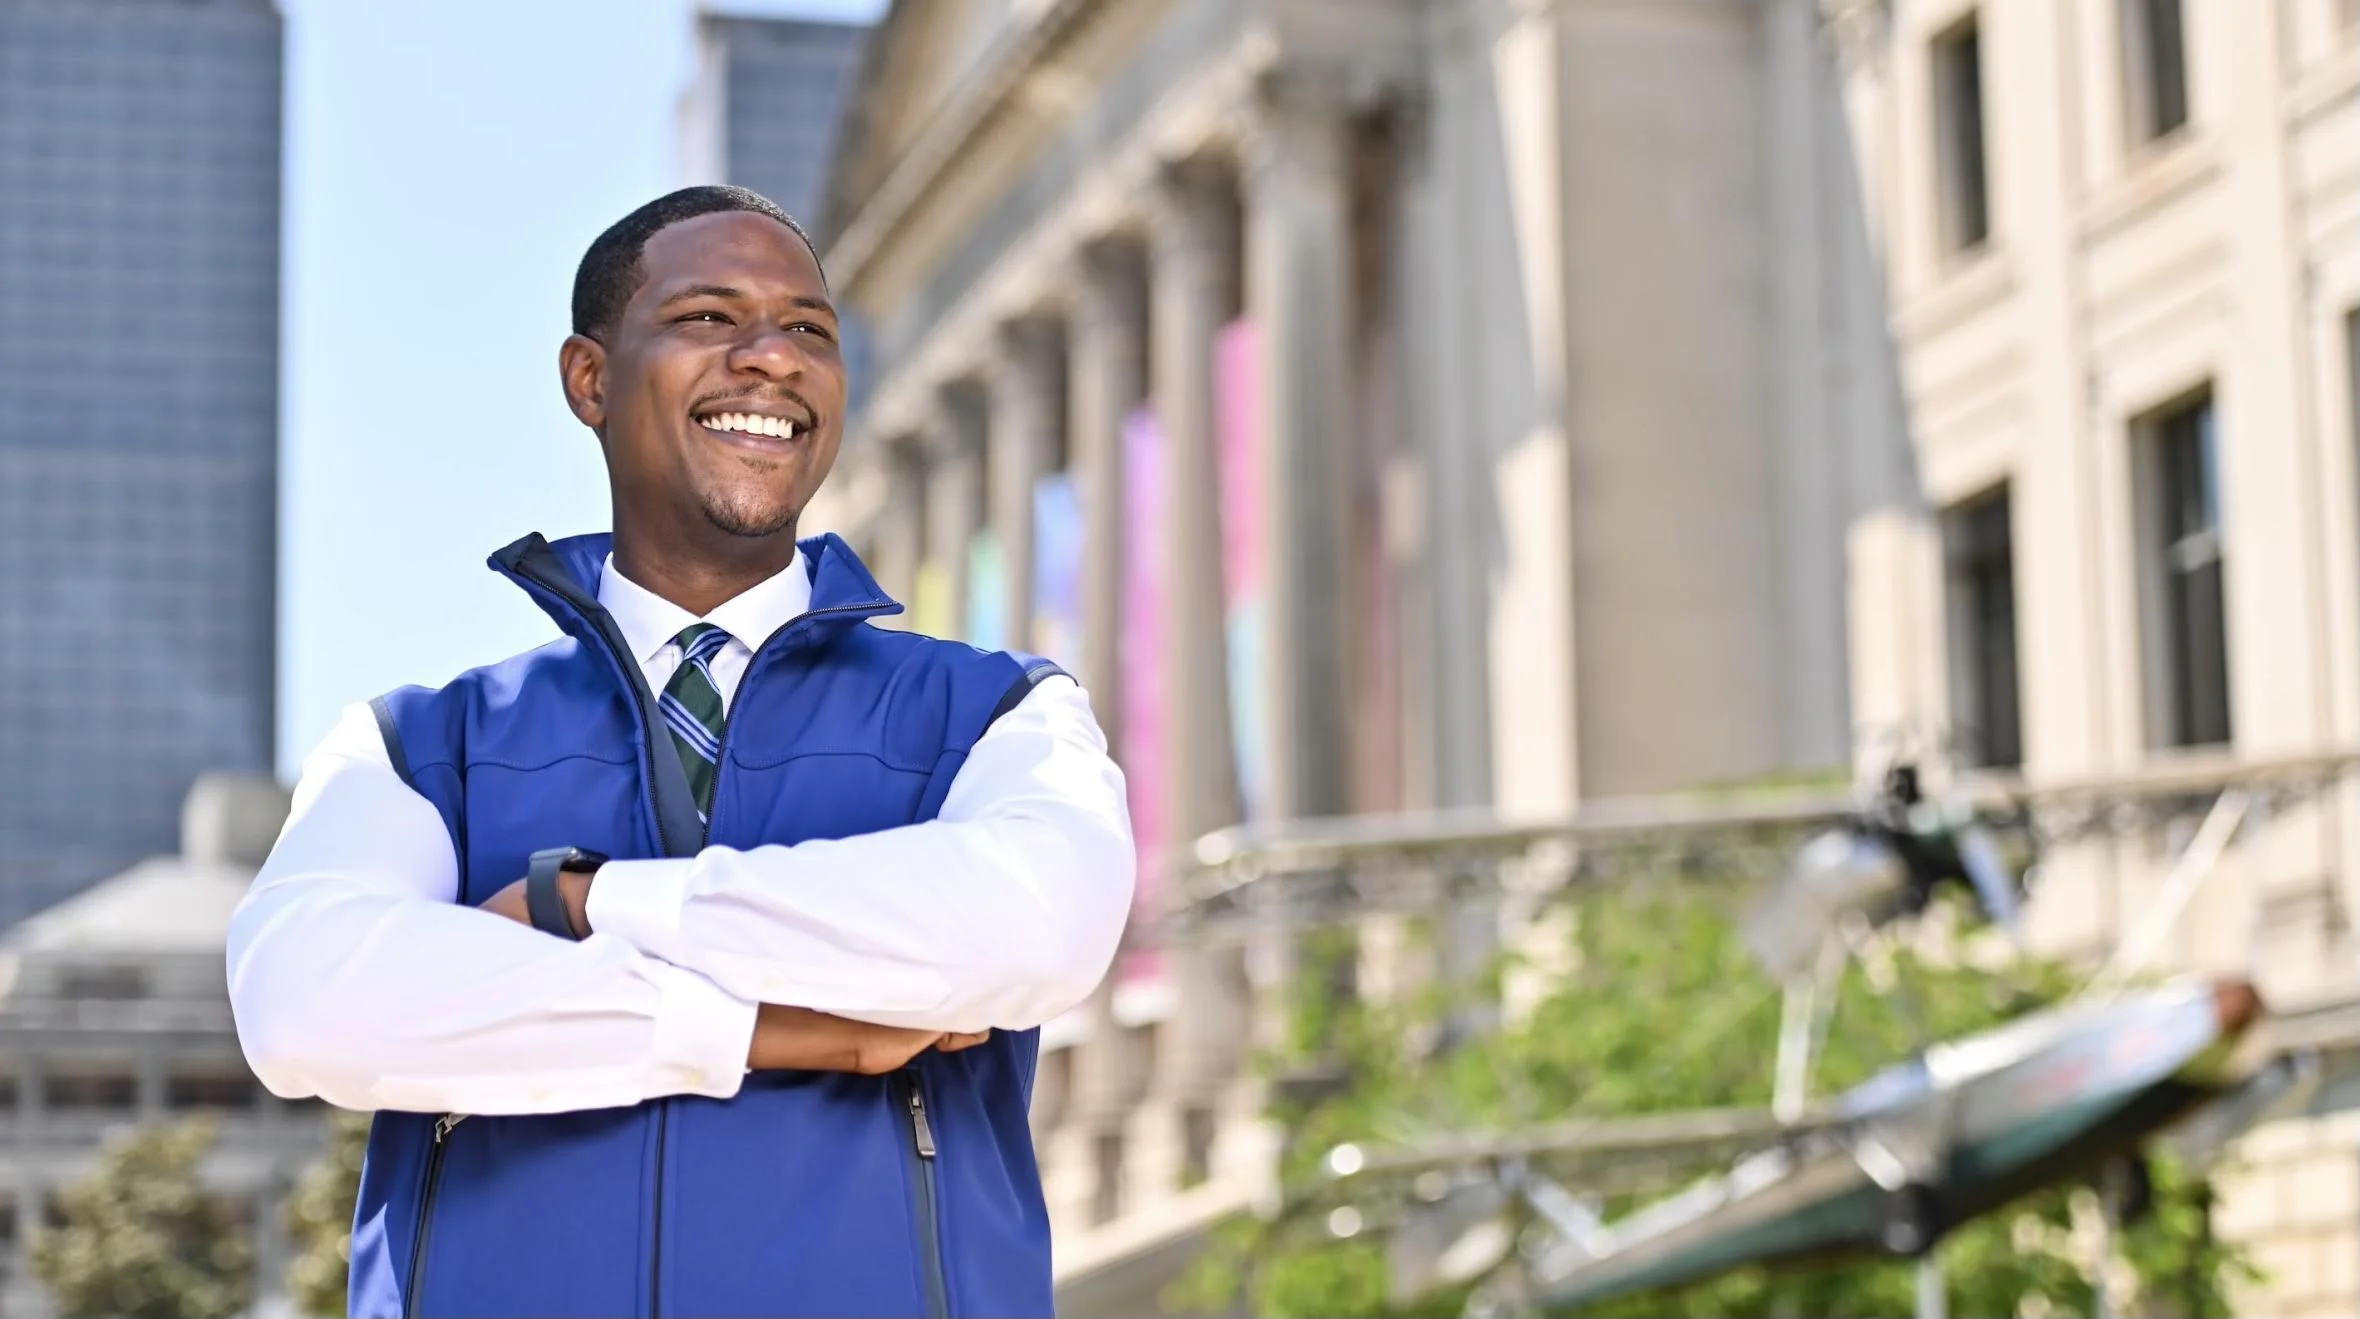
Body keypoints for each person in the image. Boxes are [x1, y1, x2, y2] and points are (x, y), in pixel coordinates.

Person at [227, 185, 1135, 1318]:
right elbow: (305, 1006)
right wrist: (754, 1029)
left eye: (808, 329)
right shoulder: (419, 747)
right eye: (711, 317)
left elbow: (1033, 926)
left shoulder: (995, 711)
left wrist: (588, 901)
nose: (772, 359)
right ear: (589, 379)